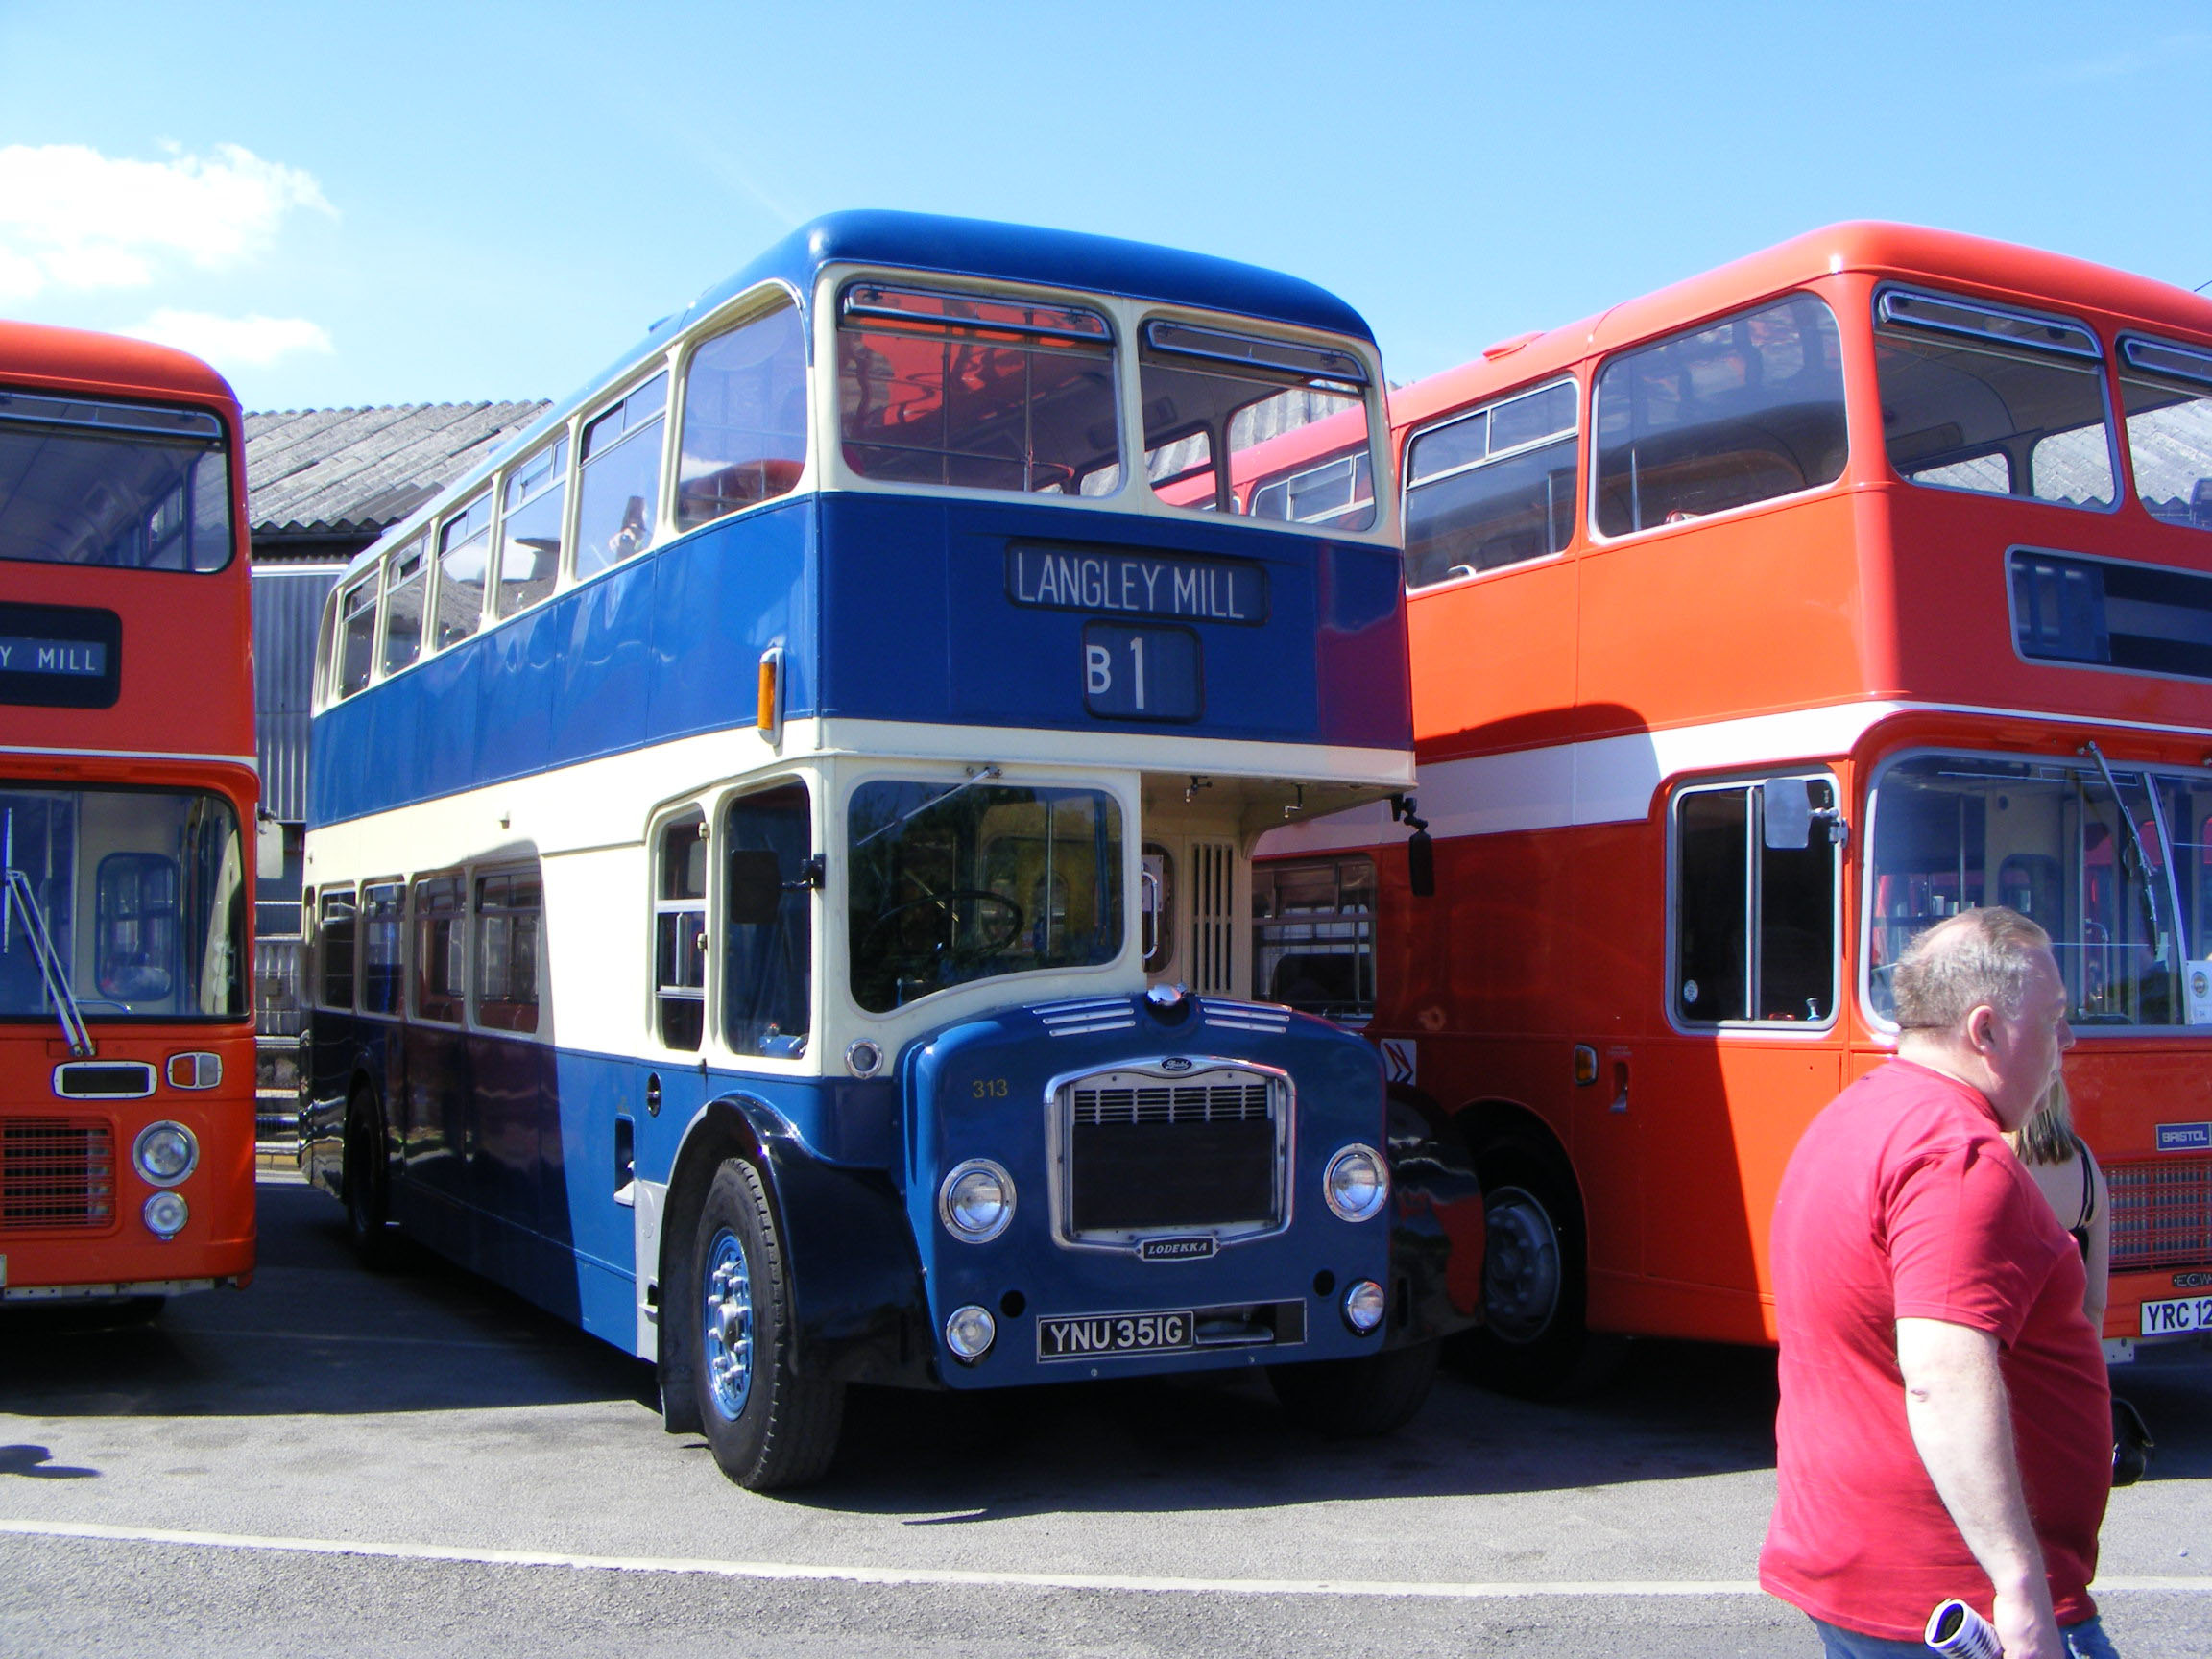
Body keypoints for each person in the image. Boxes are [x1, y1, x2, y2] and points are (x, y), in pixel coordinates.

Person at [1761, 906, 2116, 1658]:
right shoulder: (1958, 1157)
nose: (2068, 1041)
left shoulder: (1855, 1115)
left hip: (1866, 1576)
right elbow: (1942, 1378)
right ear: (1984, 1031)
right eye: (2052, 1019)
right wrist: (2019, 1588)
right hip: (1959, 1600)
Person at [2007, 1076, 2110, 1329]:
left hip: (2013, 1338)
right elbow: (2096, 1301)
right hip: (2066, 1340)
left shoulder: (1997, 1157)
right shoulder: (2086, 1162)